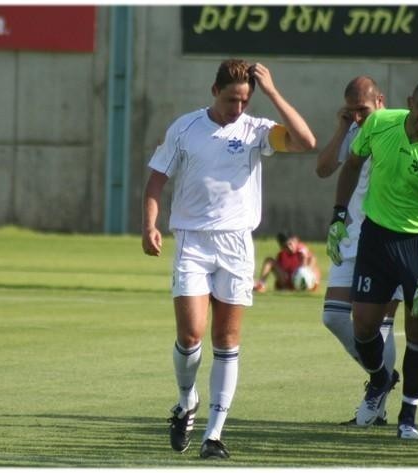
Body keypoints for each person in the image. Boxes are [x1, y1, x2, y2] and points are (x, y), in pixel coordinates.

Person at [142, 58, 316, 459]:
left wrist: (272, 92)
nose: (237, 108)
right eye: (230, 99)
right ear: (214, 91)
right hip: (192, 242)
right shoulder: (185, 128)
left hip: (237, 245)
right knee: (191, 335)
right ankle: (186, 401)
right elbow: (156, 180)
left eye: (244, 100)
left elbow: (306, 141)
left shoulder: (256, 130)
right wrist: (149, 225)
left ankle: (214, 434)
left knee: (226, 339)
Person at [329, 80, 418, 439]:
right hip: (375, 236)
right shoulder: (379, 124)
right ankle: (380, 378)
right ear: (410, 102)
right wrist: (338, 215)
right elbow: (351, 164)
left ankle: (408, 416)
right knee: (363, 326)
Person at [316, 76, 402, 426]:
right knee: (334, 316)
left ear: (380, 100)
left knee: (382, 323)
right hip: (352, 236)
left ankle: (376, 409)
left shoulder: (399, 127)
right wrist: (342, 127)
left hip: (390, 236)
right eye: (351, 111)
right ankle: (382, 375)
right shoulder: (353, 129)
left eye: (362, 110)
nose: (357, 117)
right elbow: (323, 169)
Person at [253, 232, 320, 292]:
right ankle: (261, 284)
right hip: (289, 282)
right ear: (282, 247)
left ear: (295, 241)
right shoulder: (281, 255)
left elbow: (309, 258)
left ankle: (309, 285)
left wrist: (304, 270)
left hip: (303, 279)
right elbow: (281, 273)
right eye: (286, 246)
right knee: (269, 261)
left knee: (311, 263)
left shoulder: (301, 250)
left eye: (290, 244)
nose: (289, 248)